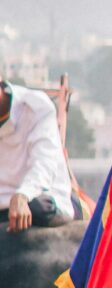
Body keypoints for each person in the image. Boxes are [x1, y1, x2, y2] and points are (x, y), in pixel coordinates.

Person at [0, 74, 76, 233]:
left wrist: (22, 195)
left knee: (36, 208)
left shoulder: (34, 106)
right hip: (4, 208)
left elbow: (44, 165)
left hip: (38, 200)